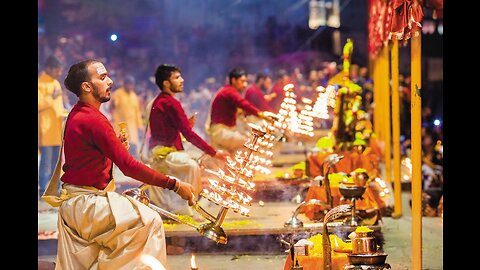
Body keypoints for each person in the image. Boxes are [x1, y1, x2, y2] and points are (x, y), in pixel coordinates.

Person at [43, 59, 195, 269]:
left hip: (78, 203)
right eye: (103, 77)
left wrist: (115, 151)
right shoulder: (93, 119)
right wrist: (175, 185)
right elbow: (129, 167)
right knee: (149, 221)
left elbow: (87, 160)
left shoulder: (80, 114)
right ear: (86, 86)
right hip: (87, 205)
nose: (111, 81)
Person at [145, 64, 229, 217]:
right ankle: (187, 205)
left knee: (194, 161)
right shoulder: (170, 102)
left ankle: (185, 203)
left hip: (165, 150)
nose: (182, 80)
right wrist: (214, 153)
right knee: (192, 166)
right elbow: (189, 135)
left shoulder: (162, 101)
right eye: (177, 77)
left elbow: (170, 130)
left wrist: (184, 128)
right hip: (164, 154)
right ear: (166, 83)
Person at [208, 67, 269, 153]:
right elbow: (244, 104)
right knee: (249, 143)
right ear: (233, 80)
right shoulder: (229, 92)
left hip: (225, 131)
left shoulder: (228, 91)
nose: (245, 85)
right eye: (242, 81)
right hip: (221, 132)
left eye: (245, 81)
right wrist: (261, 114)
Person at [38, 55, 67, 199]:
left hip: (56, 129)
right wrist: (52, 97)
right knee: (46, 164)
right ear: (48, 68)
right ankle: (43, 190)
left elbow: (58, 107)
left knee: (56, 166)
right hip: (46, 130)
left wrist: (65, 114)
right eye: (57, 70)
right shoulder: (40, 83)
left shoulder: (55, 83)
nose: (59, 73)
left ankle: (54, 189)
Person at [110, 74, 144, 159]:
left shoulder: (134, 96)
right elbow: (114, 105)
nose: (130, 86)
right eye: (128, 84)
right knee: (120, 147)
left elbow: (137, 112)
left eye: (131, 84)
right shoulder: (118, 93)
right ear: (124, 84)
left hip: (132, 128)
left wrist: (139, 126)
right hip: (121, 126)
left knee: (133, 148)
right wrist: (113, 104)